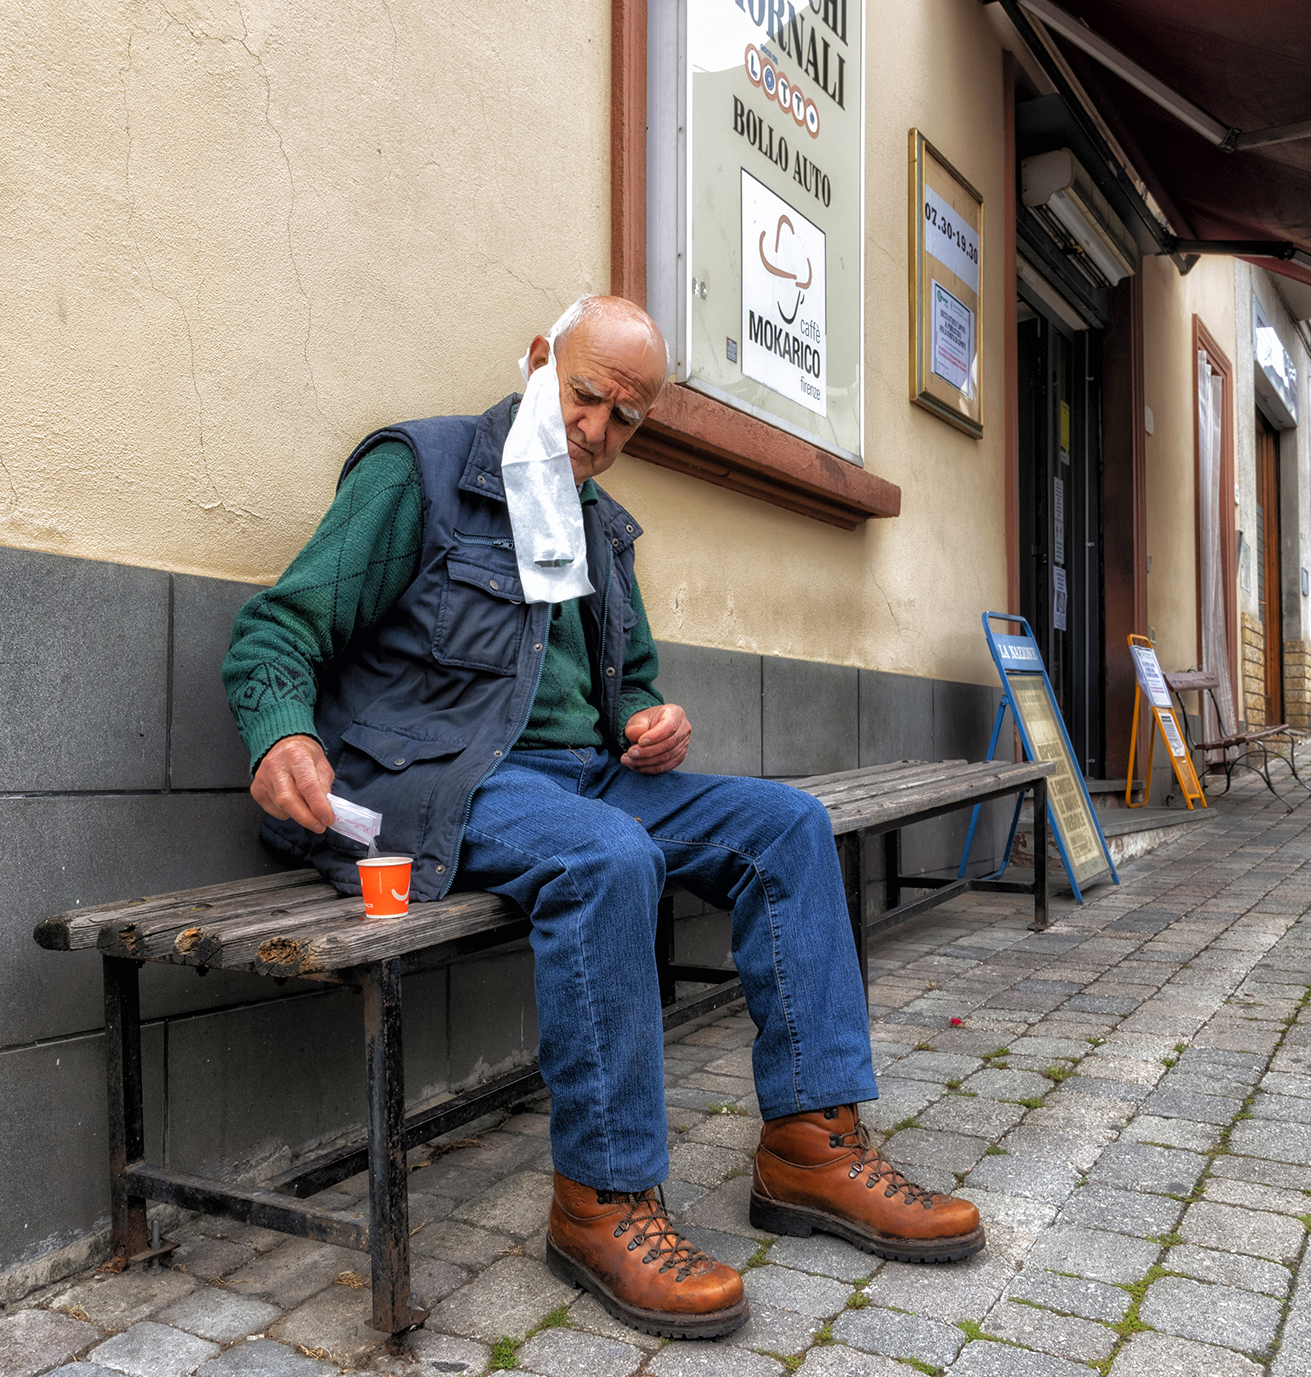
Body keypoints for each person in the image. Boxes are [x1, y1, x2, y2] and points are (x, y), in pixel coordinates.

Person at [222, 296, 981, 1339]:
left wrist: (649, 719)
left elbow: (628, 685)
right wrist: (279, 735)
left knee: (789, 824)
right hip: (445, 781)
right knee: (611, 858)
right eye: (587, 397)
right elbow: (279, 627)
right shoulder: (421, 471)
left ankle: (810, 1148)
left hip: (584, 778)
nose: (598, 432)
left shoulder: (601, 530)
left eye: (628, 419)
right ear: (539, 359)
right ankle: (603, 1200)